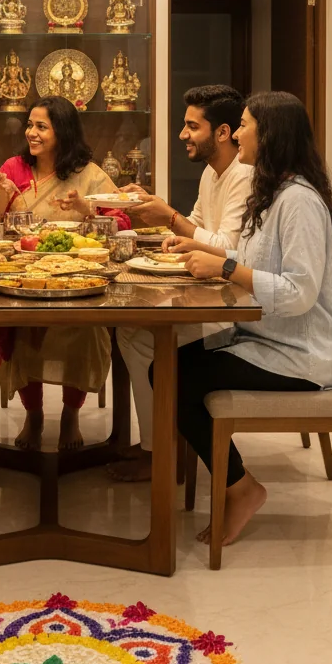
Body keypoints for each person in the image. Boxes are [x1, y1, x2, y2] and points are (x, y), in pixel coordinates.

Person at [151, 91, 332, 551]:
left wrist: (224, 268)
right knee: (166, 368)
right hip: (268, 339)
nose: (236, 133)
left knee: (170, 375)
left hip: (302, 355)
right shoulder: (275, 192)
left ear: (271, 135)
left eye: (244, 125)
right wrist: (207, 251)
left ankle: (242, 489)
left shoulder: (298, 202)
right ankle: (232, 483)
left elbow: (298, 292)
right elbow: (255, 257)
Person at [109, 84, 252, 481]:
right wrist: (157, 215)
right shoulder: (213, 172)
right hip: (215, 289)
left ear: (221, 133)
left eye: (192, 126)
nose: (182, 135)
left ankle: (162, 451)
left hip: (237, 307)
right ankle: (162, 443)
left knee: (137, 334)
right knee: (131, 330)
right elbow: (198, 225)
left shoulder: (243, 175)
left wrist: (169, 218)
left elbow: (228, 248)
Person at [0, 96, 131, 450]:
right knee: (23, 328)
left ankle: (71, 415)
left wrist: (85, 207)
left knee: (86, 334)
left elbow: (122, 221)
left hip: (78, 277)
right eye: (30, 125)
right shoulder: (14, 168)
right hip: (22, 276)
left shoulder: (89, 173)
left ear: (63, 131)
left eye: (41, 126)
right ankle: (34, 414)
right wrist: (3, 197)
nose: (31, 132)